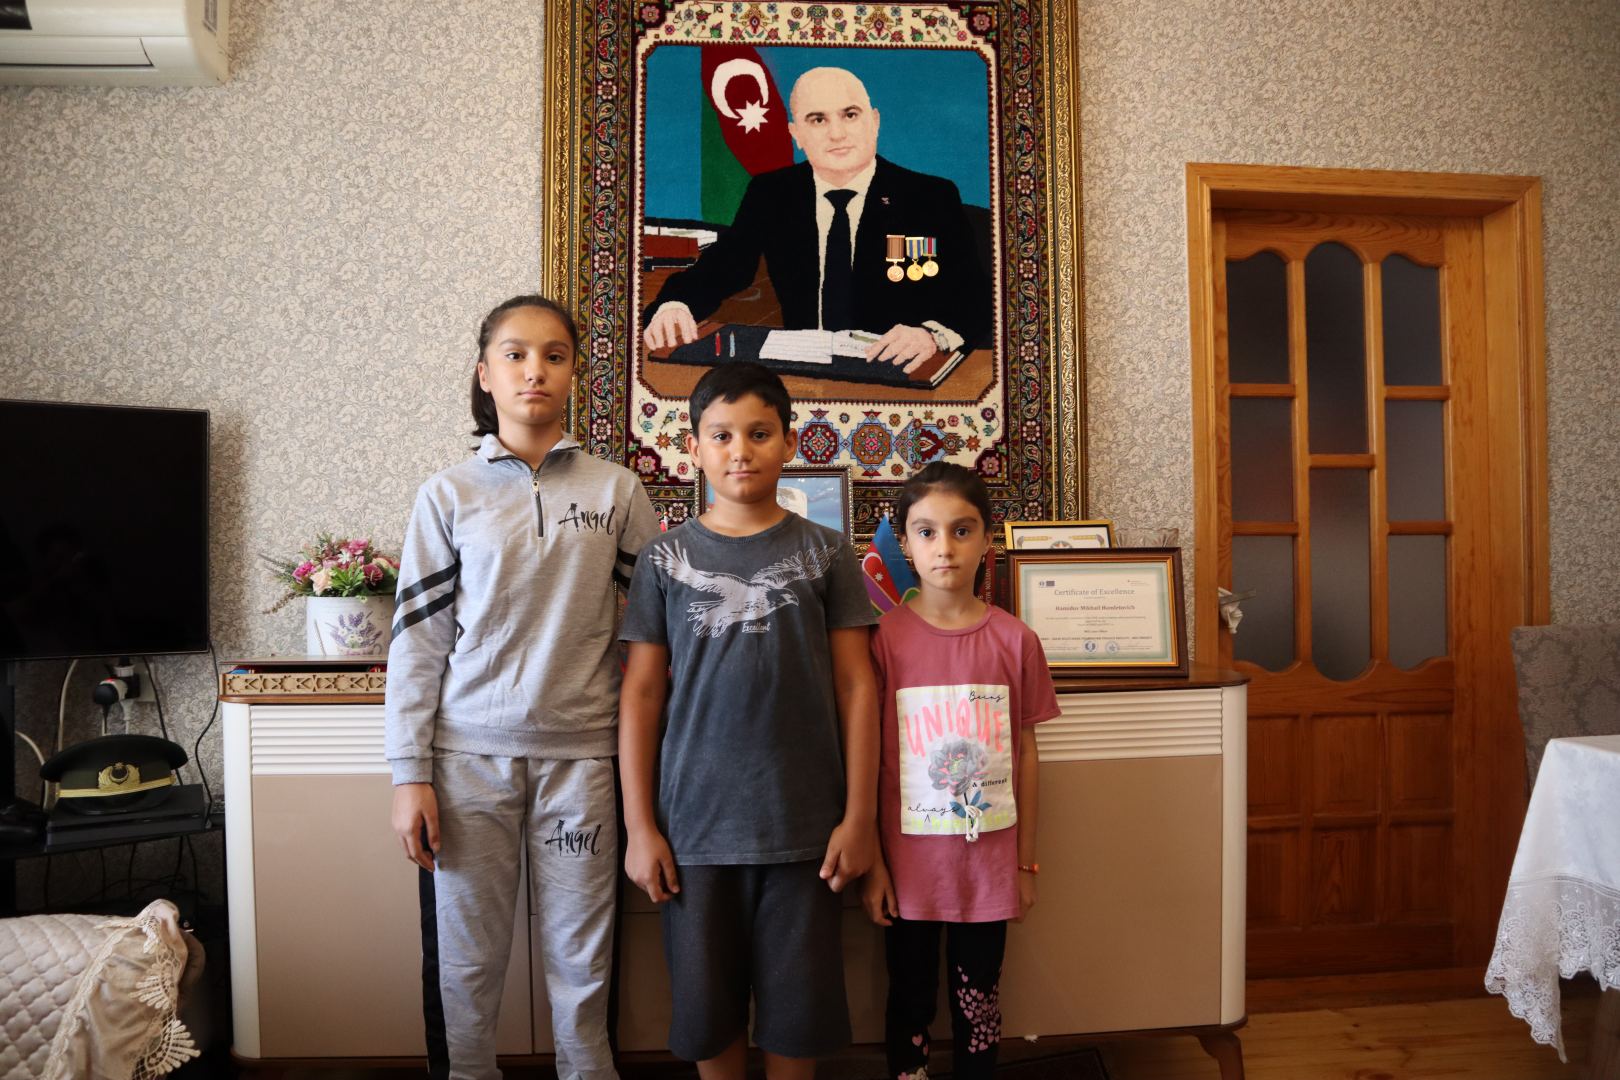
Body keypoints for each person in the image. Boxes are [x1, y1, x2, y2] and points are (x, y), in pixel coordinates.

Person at [385, 294, 659, 1080]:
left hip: (585, 765)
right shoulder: (447, 495)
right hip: (465, 766)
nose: (534, 369)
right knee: (467, 962)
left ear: (574, 373)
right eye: (514, 354)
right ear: (485, 373)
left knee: (584, 960)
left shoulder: (617, 492)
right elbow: (418, 644)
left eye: (554, 355)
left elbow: (651, 637)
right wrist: (408, 776)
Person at [617, 362, 879, 1080]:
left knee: (797, 1020)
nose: (741, 451)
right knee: (710, 1018)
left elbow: (858, 687)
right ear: (693, 448)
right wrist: (640, 828)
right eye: (722, 435)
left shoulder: (827, 551)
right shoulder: (664, 558)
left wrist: (859, 818)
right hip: (693, 834)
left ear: (790, 442)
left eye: (760, 434)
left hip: (807, 833)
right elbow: (641, 694)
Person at [862, 461, 1060, 1080]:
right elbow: (867, 757)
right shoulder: (883, 640)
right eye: (926, 531)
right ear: (905, 541)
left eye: (961, 530)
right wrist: (874, 866)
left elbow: (1026, 752)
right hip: (907, 871)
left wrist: (1025, 865)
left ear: (986, 539)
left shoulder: (1016, 641)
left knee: (980, 1002)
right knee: (909, 997)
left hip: (988, 869)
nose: (944, 547)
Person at [643, 66, 993, 374]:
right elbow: (726, 266)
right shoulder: (772, 193)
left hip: (902, 370)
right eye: (818, 119)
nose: (836, 133)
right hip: (807, 375)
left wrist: (931, 334)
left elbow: (975, 297)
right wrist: (676, 304)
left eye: (850, 115)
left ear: (874, 122)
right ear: (796, 134)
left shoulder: (929, 196)